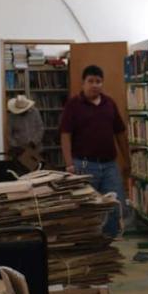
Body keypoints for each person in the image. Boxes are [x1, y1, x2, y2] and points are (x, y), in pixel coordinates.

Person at [60, 64, 130, 238]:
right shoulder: (74, 105)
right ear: (83, 83)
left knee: (115, 205)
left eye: (98, 81)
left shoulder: (109, 104)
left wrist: (127, 160)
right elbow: (65, 134)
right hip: (83, 163)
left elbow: (120, 133)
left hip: (109, 165)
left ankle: (109, 243)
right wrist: (69, 164)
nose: (95, 85)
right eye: (90, 81)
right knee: (87, 206)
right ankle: (89, 243)